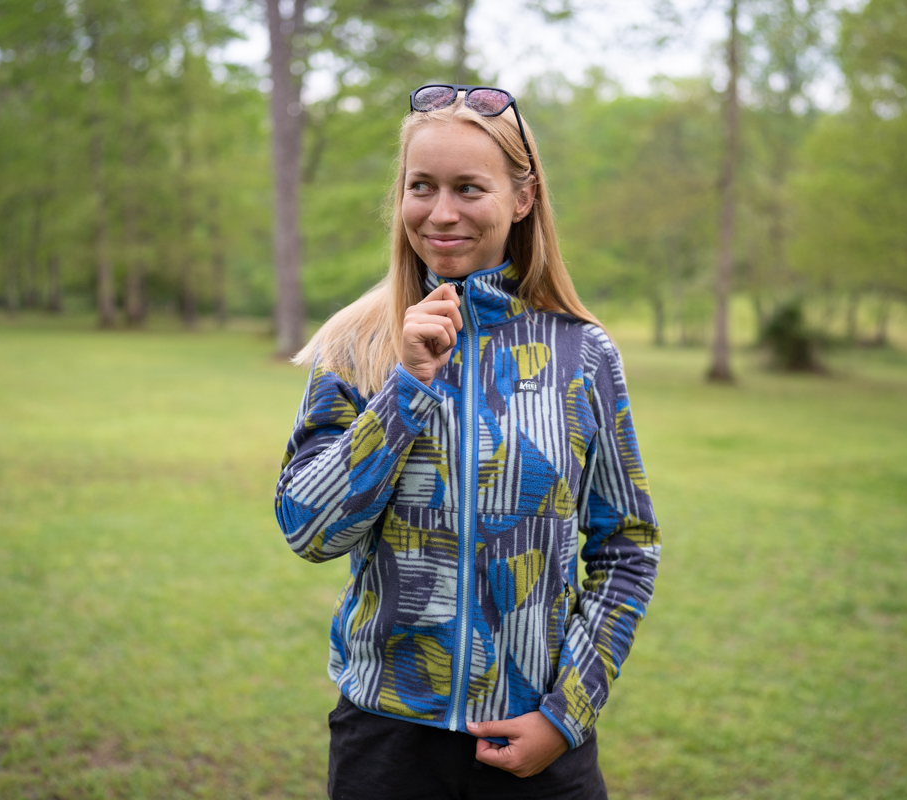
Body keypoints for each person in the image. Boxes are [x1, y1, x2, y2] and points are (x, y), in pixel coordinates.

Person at [275, 84, 660, 799]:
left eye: (468, 187)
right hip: (386, 747)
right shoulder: (356, 344)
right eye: (422, 186)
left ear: (522, 198)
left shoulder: (583, 354)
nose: (441, 212)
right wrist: (408, 388)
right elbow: (308, 529)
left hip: (541, 745)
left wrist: (566, 713)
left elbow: (626, 546)